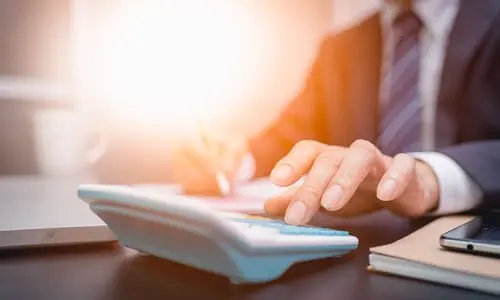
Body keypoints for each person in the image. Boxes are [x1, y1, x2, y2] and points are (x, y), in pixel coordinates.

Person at [172, 0, 500, 225]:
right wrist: (234, 163)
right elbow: (291, 136)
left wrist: (428, 177)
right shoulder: (341, 48)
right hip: (358, 243)